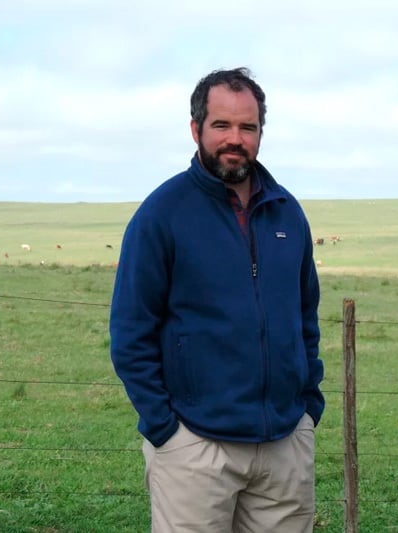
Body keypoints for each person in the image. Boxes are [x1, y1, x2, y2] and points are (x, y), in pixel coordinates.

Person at [109, 67, 324, 533]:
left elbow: (305, 317)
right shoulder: (162, 214)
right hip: (195, 447)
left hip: (284, 445)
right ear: (196, 129)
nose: (235, 139)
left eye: (248, 127)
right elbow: (130, 332)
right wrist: (166, 429)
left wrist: (307, 410)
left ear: (261, 132)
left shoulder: (286, 212)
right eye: (221, 125)